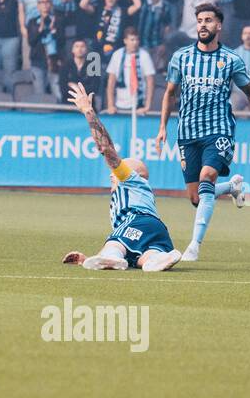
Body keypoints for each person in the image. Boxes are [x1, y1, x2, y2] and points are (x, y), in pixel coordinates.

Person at [155, 2, 250, 262]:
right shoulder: (181, 57)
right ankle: (234, 187)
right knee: (195, 197)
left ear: (219, 26)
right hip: (187, 131)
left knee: (207, 176)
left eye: (208, 20)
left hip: (218, 129)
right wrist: (162, 128)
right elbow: (169, 93)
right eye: (200, 20)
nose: (203, 25)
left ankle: (194, 246)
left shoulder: (231, 59)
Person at [61, 82, 182, 273]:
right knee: (141, 255)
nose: (112, 174)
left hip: (137, 220)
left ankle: (110, 257)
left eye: (118, 170)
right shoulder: (141, 191)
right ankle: (156, 259)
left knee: (114, 244)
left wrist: (88, 111)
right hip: (157, 229)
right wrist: (85, 259)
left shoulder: (129, 180)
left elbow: (105, 148)